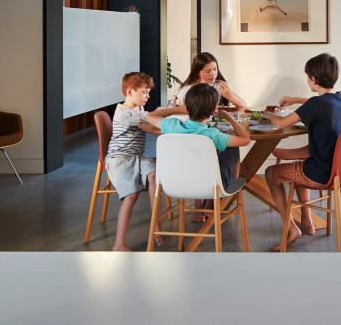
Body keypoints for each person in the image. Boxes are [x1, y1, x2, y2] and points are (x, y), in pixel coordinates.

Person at [263, 53, 341, 251]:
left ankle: (291, 228)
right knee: (300, 165)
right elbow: (316, 102)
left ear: (313, 79)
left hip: (319, 173)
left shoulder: (315, 105)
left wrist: (267, 114)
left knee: (270, 173)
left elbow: (280, 123)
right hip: (338, 168)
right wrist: (294, 99)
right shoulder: (339, 100)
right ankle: (308, 223)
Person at [146, 83, 251, 223]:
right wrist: (228, 117)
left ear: (187, 108)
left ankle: (207, 203)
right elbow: (245, 139)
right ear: (214, 111)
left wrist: (178, 109)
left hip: (177, 184)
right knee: (231, 147)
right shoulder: (213, 134)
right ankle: (218, 198)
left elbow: (150, 116)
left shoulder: (173, 126)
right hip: (210, 186)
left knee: (204, 157)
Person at [105, 72, 167, 252]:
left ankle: (157, 227)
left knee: (154, 175)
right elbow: (151, 117)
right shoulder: (124, 114)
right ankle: (119, 245)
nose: (148, 96)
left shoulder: (139, 109)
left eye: (148, 92)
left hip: (137, 158)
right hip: (120, 159)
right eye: (145, 92)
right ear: (130, 92)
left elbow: (151, 114)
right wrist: (179, 110)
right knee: (131, 195)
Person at [173, 52, 246, 108]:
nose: (213, 74)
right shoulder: (186, 90)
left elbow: (244, 106)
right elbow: (177, 113)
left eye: (215, 69)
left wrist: (230, 96)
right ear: (198, 72)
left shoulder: (219, 87)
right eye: (208, 71)